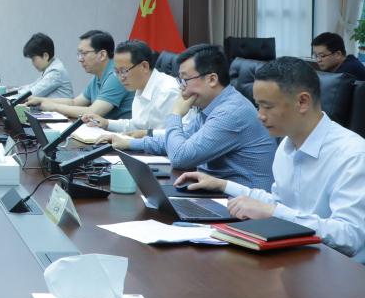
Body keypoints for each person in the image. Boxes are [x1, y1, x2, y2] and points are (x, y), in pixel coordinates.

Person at [176, 57, 365, 263]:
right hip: (296, 256)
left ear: (302, 102)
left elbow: (349, 237)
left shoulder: (352, 154)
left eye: (267, 106)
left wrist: (273, 212)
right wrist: (222, 185)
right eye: (258, 105)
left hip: (337, 270)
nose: (260, 115)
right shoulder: (286, 144)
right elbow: (278, 203)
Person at [111, 44, 276, 190]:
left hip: (243, 204)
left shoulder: (231, 112)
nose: (181, 88)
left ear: (212, 79)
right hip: (217, 192)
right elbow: (181, 140)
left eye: (185, 80)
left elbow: (180, 158)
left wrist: (175, 114)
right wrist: (130, 143)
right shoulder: (210, 106)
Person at [83, 39, 184, 138]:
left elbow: (180, 134)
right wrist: (106, 123)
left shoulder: (168, 91)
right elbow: (137, 125)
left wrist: (146, 134)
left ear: (144, 66)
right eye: (117, 72)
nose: (121, 78)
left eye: (124, 71)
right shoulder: (140, 85)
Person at [26, 30, 133, 119]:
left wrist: (54, 107)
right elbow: (75, 102)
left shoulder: (116, 76)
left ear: (102, 55)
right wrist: (41, 100)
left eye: (84, 53)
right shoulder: (98, 76)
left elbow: (93, 112)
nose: (80, 59)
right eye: (79, 54)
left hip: (120, 136)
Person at [18, 32, 72, 99]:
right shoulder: (51, 68)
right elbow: (32, 86)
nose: (32, 63)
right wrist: (13, 91)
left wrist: (11, 96)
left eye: (33, 59)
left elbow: (32, 94)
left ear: (45, 56)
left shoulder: (56, 73)